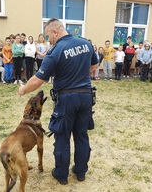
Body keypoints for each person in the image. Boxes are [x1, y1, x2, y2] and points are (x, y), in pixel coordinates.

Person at [18, 18, 98, 185]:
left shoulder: (55, 51)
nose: (49, 40)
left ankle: (61, 174)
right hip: (86, 96)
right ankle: (81, 171)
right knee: (81, 135)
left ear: (55, 31)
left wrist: (24, 89)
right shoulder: (86, 43)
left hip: (66, 99)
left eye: (48, 36)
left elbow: (38, 80)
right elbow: (94, 65)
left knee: (62, 136)